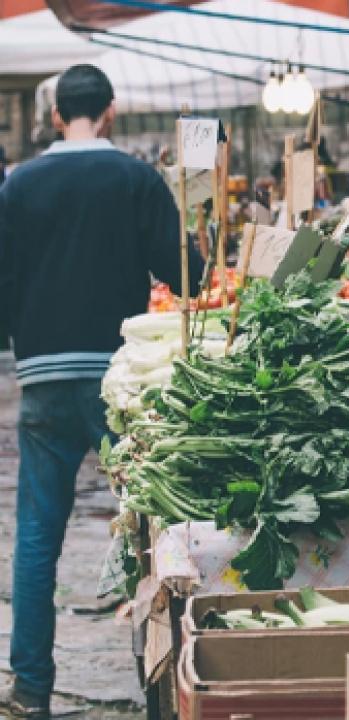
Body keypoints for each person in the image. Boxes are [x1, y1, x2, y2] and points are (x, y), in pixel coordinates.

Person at [0, 64, 203, 719]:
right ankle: (160, 690)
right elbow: (182, 274)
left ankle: (30, 689)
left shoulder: (18, 184)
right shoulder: (136, 178)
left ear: (56, 115)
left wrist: (21, 339)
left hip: (42, 381)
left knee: (36, 539)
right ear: (110, 112)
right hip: (122, 384)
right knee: (149, 534)